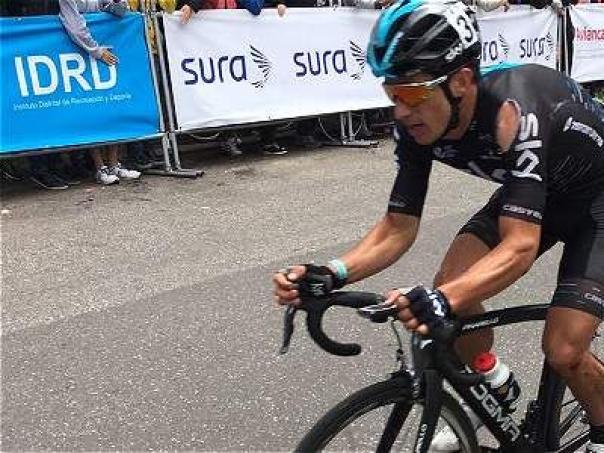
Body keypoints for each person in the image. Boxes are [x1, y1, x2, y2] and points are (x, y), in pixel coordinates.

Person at [272, 1, 604, 451]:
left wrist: (442, 300)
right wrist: (333, 271)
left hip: (598, 201)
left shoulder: (514, 111)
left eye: (411, 94)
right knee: (453, 283)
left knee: (564, 350)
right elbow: (398, 226)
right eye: (392, 94)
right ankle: (491, 380)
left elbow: (519, 247)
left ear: (461, 81)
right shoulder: (418, 123)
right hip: (541, 190)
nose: (401, 110)